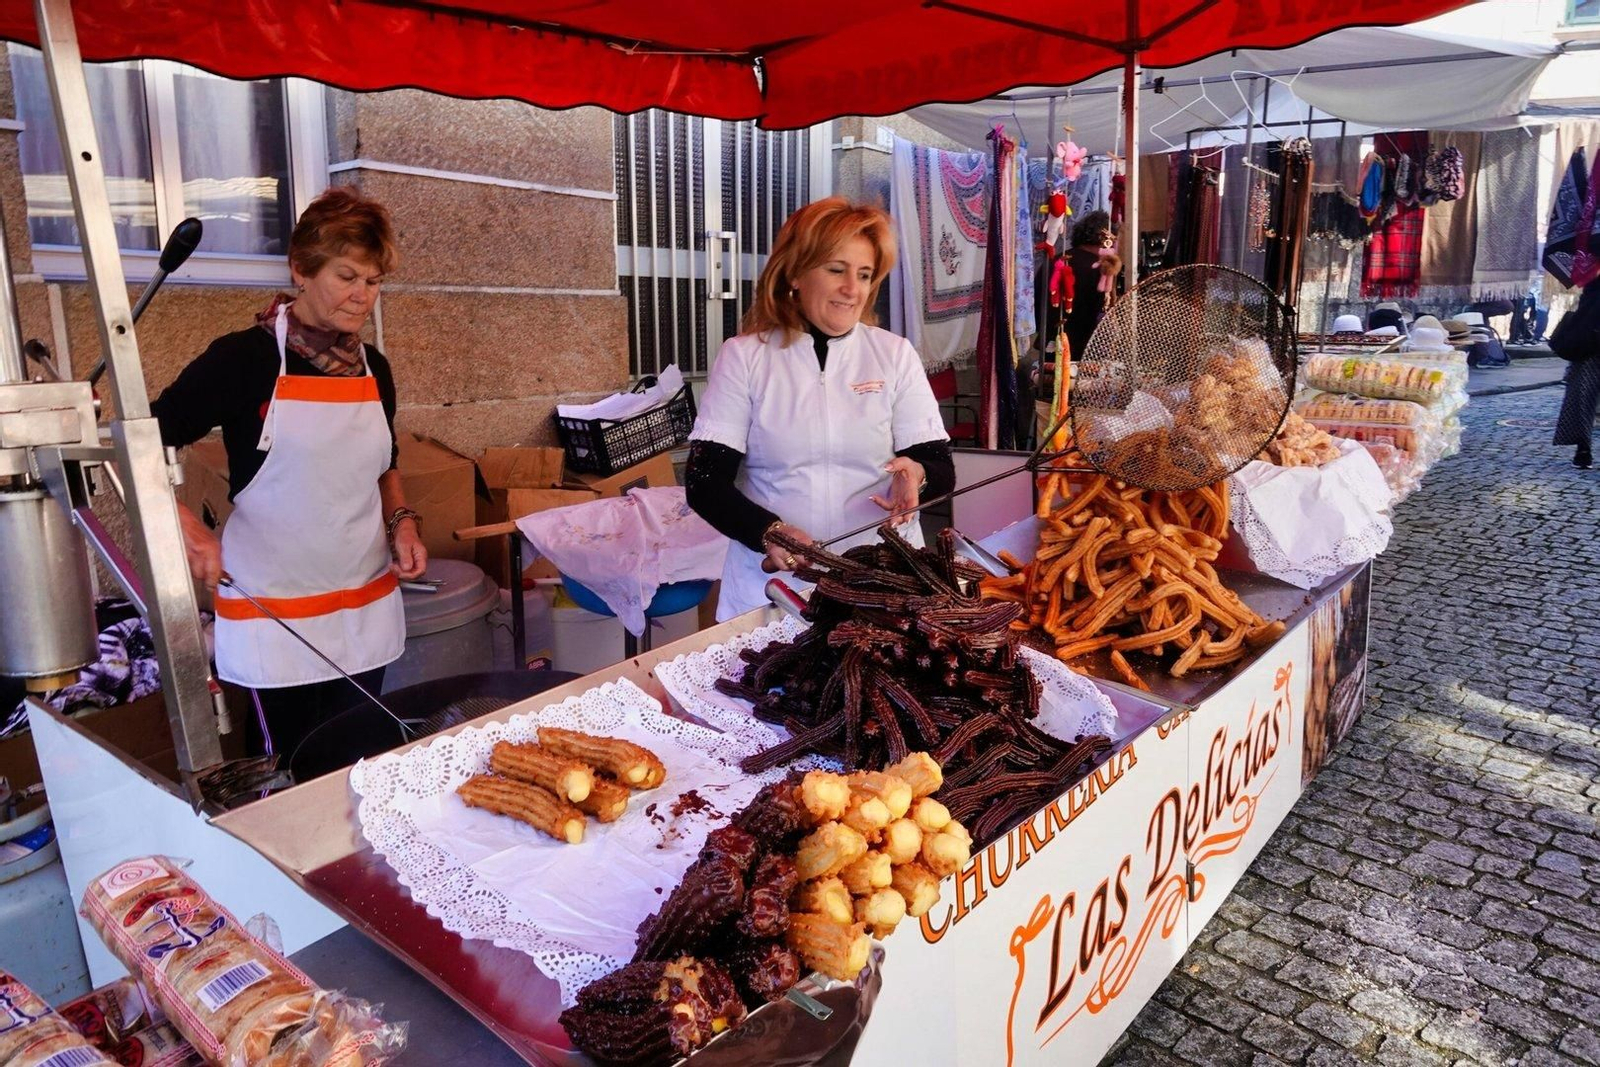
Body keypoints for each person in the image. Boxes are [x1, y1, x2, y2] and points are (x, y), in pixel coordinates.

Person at [152, 188, 426, 758]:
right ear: (301, 269)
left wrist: (401, 521)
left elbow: (385, 462)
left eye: (374, 282)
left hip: (364, 611)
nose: (362, 297)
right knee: (289, 773)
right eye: (347, 276)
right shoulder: (242, 360)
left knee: (357, 765)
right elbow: (139, 444)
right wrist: (184, 524)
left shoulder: (373, 368)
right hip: (274, 620)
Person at [685, 197, 955, 621]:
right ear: (795, 272)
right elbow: (705, 482)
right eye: (836, 269)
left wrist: (915, 477)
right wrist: (769, 533)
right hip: (775, 587)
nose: (853, 288)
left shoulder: (893, 354)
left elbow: (938, 464)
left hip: (883, 583)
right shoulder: (744, 358)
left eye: (864, 275)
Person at [1552, 278, 1600, 469]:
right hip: (1590, 343)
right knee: (1582, 394)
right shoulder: (1594, 281)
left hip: (1589, 341)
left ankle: (1583, 448)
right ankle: (1583, 448)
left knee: (1582, 394)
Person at [1062, 211, 1120, 362]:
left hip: (1052, 345)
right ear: (1106, 240)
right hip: (1087, 353)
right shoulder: (1103, 270)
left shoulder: (1057, 260)